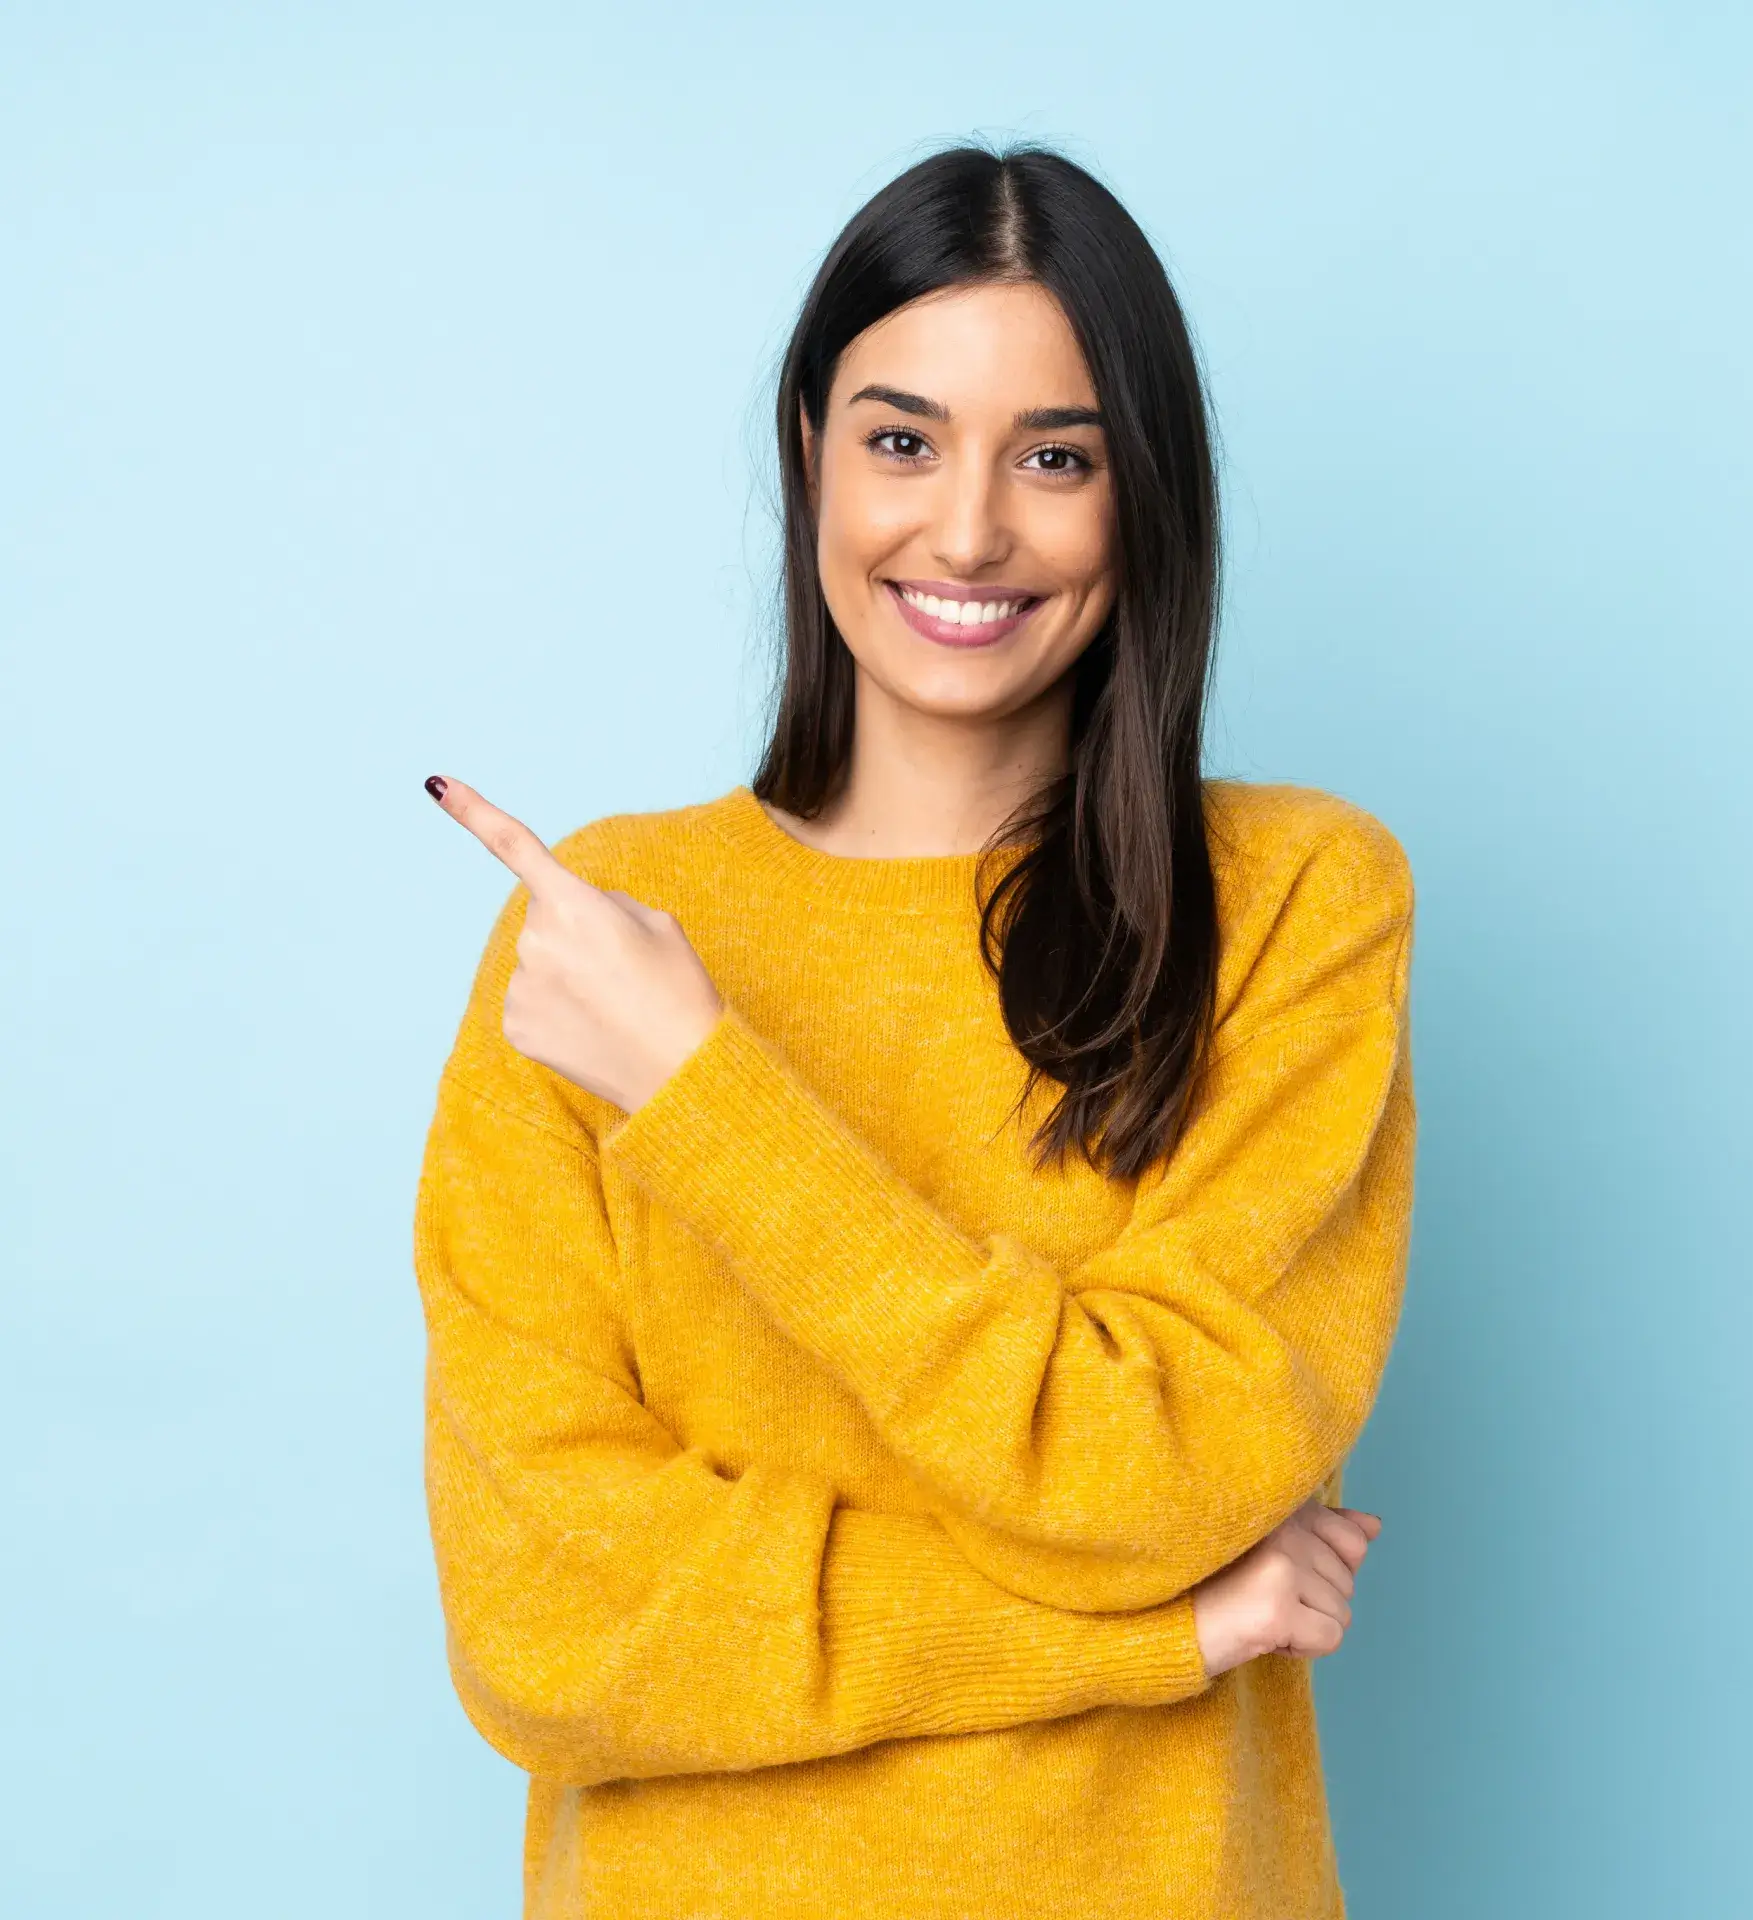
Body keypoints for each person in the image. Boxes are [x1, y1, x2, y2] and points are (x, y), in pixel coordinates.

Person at [414, 141, 1416, 1920]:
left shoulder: (1292, 905)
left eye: (1056, 457)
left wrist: (707, 1097)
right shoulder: (600, 944)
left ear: (1144, 494)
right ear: (809, 449)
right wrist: (1156, 1632)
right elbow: (552, 1631)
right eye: (901, 439)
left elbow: (1159, 1471)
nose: (967, 531)